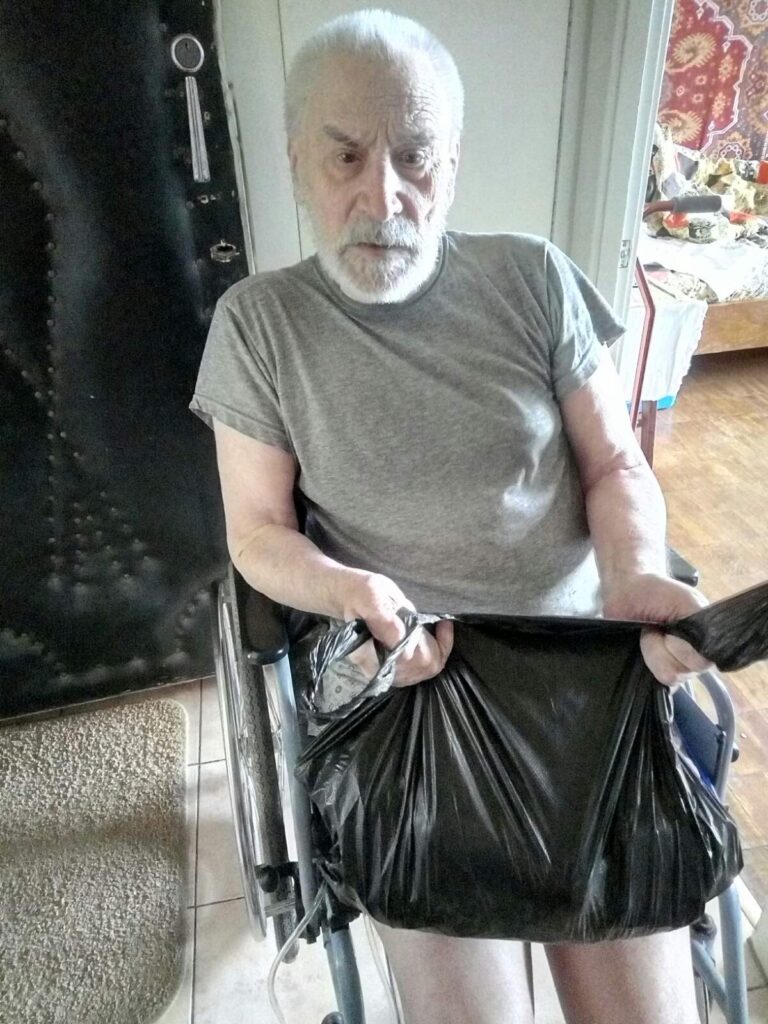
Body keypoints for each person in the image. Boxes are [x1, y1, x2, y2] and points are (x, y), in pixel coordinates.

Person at [190, 9, 715, 1023]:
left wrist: (633, 571)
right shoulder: (259, 325)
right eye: (346, 155)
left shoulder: (532, 277)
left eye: (416, 156)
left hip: (584, 679)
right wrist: (350, 592)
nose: (383, 194)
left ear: (454, 162)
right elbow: (257, 533)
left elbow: (614, 462)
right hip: (411, 697)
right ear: (298, 161)